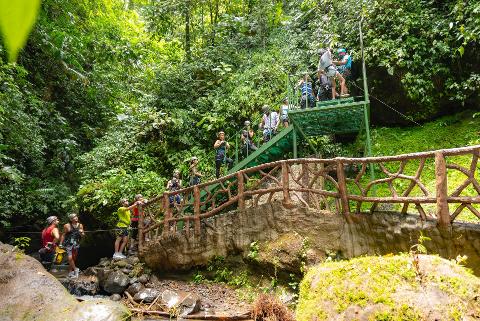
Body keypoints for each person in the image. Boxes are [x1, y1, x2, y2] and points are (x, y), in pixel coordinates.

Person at [60, 213, 84, 278]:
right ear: (71, 219)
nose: (76, 218)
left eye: (76, 216)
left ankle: (70, 272)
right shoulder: (67, 225)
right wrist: (60, 243)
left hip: (76, 243)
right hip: (68, 243)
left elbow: (82, 235)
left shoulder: (80, 225)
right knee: (70, 257)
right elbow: (63, 234)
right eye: (74, 217)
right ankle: (76, 269)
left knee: (73, 258)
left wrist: (81, 233)